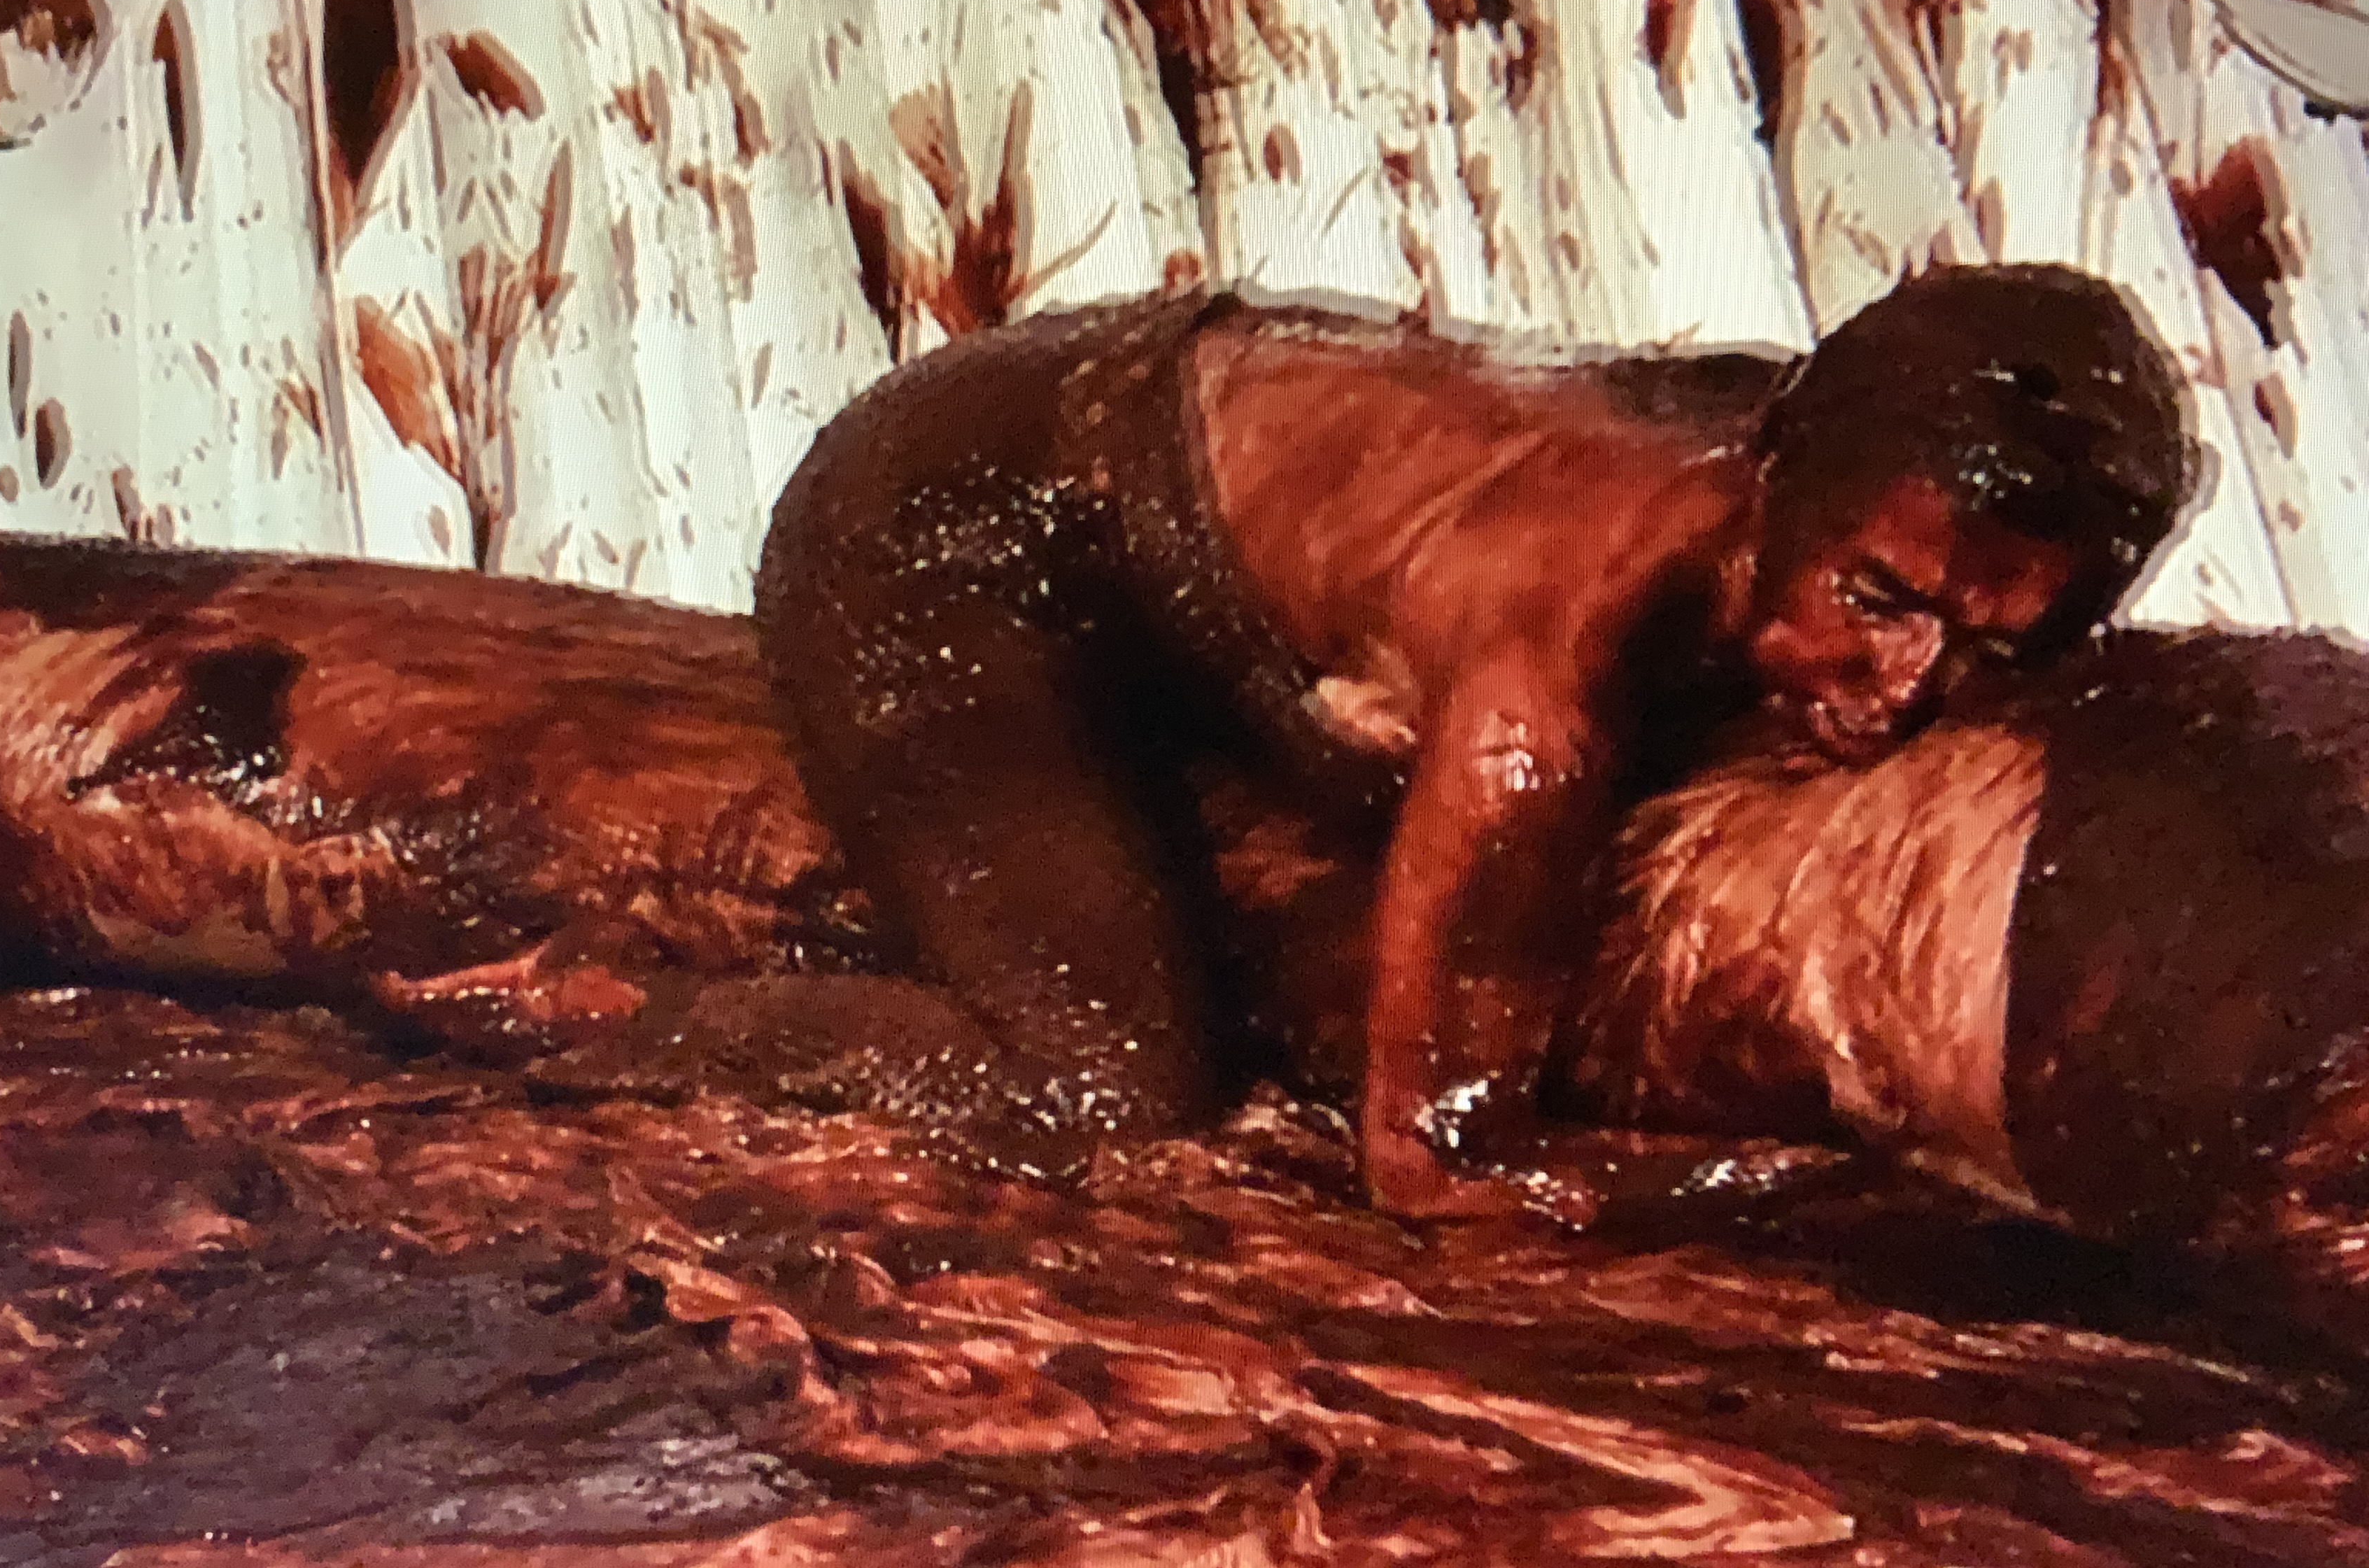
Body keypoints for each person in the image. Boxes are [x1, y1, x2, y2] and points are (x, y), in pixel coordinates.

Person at [751, 265, 2201, 1215]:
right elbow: (1436, 1166)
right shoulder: (1549, 680)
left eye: (1993, 646)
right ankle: (635, 1026)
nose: (1914, 686)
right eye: (1877, 604)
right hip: (937, 533)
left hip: (1140, 421)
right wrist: (1792, 1186)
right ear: (1773, 483)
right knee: (1107, 1091)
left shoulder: (1863, 465)